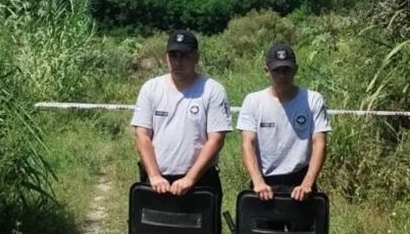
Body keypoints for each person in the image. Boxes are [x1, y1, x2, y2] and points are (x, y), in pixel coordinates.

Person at [131, 30, 232, 205]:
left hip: (200, 182)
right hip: (157, 182)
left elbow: (216, 139)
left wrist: (190, 178)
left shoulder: (212, 90)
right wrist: (154, 176)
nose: (178, 62)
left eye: (185, 56)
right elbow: (142, 135)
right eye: (173, 55)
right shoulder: (151, 88)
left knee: (202, 233)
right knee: (153, 233)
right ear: (166, 57)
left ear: (197, 58)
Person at [237, 43, 330, 201]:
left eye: (286, 70)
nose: (282, 76)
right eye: (276, 70)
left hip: (300, 182)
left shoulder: (313, 100)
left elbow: (319, 143)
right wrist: (257, 181)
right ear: (266, 71)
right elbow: (248, 144)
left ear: (295, 70)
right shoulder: (253, 101)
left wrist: (308, 183)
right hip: (264, 184)